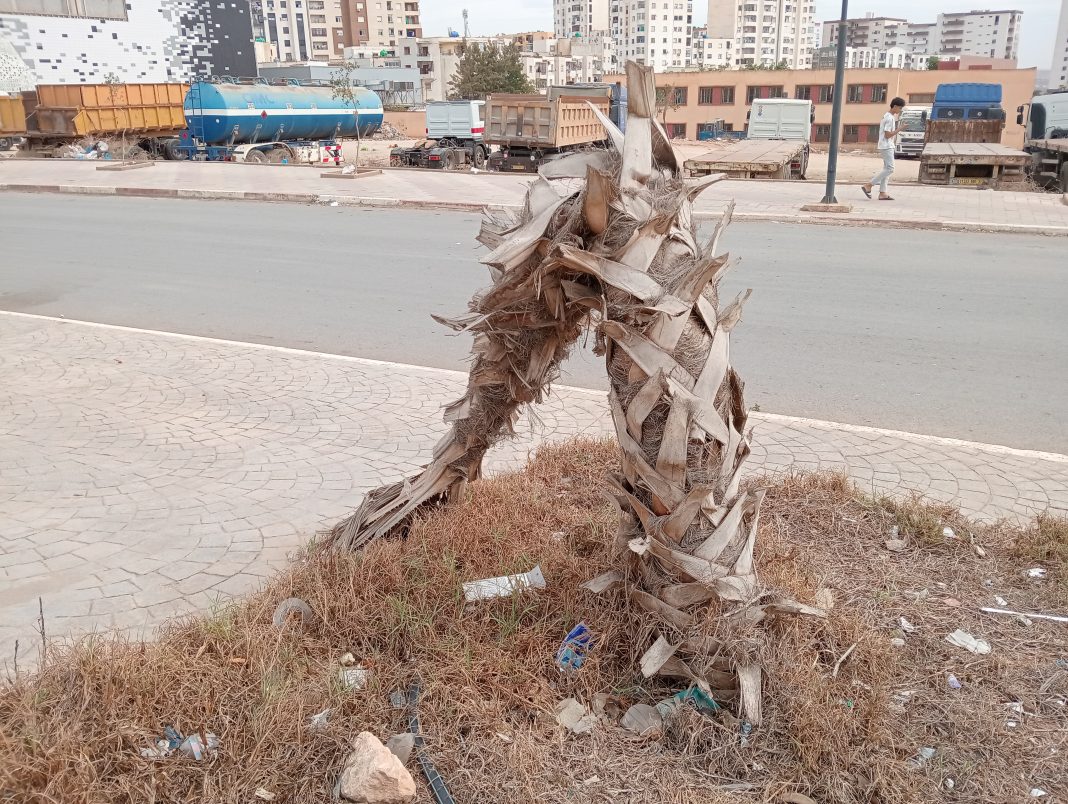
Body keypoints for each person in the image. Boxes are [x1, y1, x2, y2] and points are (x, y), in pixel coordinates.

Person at [862, 97, 906, 201]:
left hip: (886, 145)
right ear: (895, 106)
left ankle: (883, 193)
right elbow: (887, 135)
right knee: (890, 169)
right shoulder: (889, 118)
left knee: (887, 169)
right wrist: (900, 129)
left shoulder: (887, 116)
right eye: (900, 108)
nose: (900, 110)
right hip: (887, 145)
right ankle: (869, 185)